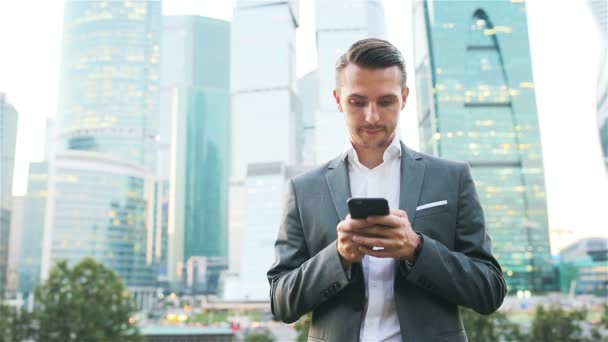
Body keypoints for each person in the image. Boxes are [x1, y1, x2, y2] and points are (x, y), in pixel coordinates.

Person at [267, 38, 506, 342]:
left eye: (385, 101)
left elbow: (490, 291)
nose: (372, 116)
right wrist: (338, 257)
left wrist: (417, 250)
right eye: (357, 102)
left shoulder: (451, 177)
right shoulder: (304, 189)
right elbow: (280, 301)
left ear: (404, 98)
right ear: (338, 99)